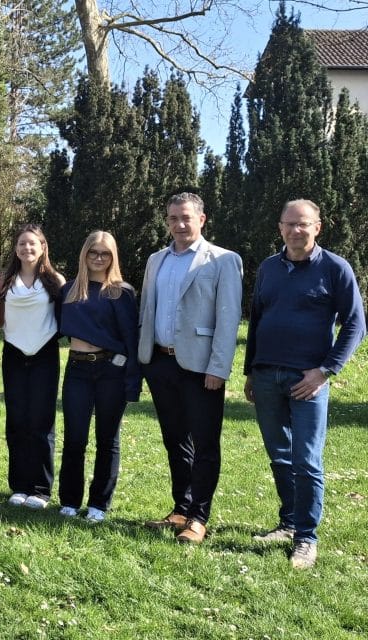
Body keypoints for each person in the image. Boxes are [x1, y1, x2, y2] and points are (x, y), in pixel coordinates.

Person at [244, 199, 364, 569]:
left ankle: (306, 538)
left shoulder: (335, 269)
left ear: (318, 227)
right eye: (289, 224)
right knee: (279, 454)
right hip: (266, 376)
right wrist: (250, 371)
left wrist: (325, 371)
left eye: (303, 224)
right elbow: (257, 320)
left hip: (308, 380)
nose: (296, 230)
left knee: (306, 460)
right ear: (280, 227)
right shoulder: (268, 268)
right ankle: (289, 522)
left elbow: (356, 325)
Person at [138, 192, 243, 544]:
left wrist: (219, 368)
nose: (179, 224)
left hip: (200, 368)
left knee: (205, 443)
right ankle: (181, 508)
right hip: (160, 362)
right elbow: (148, 310)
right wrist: (144, 358)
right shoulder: (156, 260)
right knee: (175, 440)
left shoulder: (223, 260)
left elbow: (228, 320)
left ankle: (199, 517)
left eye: (185, 217)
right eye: (172, 218)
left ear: (202, 219)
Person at [57, 231, 140, 523]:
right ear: (84, 254)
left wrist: (132, 384)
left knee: (107, 439)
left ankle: (99, 504)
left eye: (105, 253)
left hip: (110, 371)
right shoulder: (68, 290)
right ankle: (69, 500)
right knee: (74, 438)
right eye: (93, 252)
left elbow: (131, 340)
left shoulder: (121, 292)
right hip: (77, 369)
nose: (99, 258)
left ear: (113, 257)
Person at [0, 224, 65, 510]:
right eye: (22, 243)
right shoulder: (6, 281)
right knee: (17, 421)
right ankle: (19, 485)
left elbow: (64, 319)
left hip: (44, 355)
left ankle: (40, 489)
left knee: (41, 423)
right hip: (13, 354)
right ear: (16, 249)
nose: (27, 248)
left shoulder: (55, 280)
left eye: (32, 243)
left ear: (42, 247)